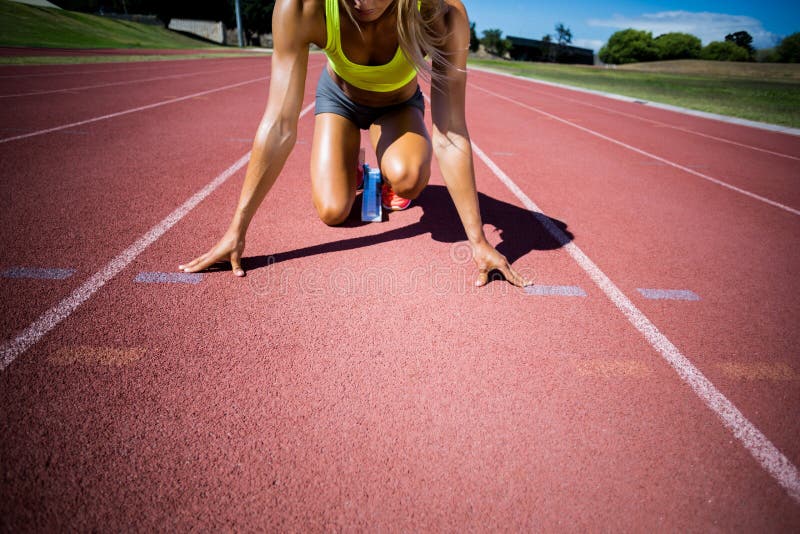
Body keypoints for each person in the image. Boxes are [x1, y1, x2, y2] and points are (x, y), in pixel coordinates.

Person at [178, 0, 532, 288]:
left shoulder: (440, 14)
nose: (362, 2)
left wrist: (479, 241)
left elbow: (451, 131)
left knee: (408, 178)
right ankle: (358, 169)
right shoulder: (301, 7)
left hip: (397, 107)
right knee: (333, 212)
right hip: (339, 102)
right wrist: (236, 230)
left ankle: (385, 168)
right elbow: (279, 125)